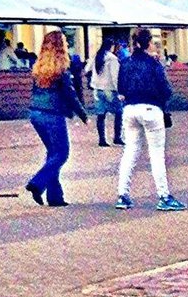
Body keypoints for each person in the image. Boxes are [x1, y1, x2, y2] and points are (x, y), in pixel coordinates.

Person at [115, 28, 186, 212]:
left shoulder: (125, 63)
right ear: (148, 43)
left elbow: (120, 88)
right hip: (151, 109)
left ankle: (123, 195)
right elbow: (166, 89)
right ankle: (164, 196)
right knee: (156, 154)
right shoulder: (154, 64)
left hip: (130, 109)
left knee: (130, 152)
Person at [24, 31, 88, 207]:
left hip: (35, 113)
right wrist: (83, 115)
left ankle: (55, 197)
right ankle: (37, 182)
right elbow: (70, 95)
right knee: (62, 153)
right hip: (52, 114)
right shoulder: (61, 68)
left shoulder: (38, 67)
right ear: (61, 46)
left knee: (53, 153)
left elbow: (34, 92)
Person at [91, 36, 123, 147]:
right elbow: (115, 77)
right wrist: (119, 91)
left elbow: (87, 69)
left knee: (101, 115)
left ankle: (102, 139)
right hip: (109, 89)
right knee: (119, 112)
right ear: (112, 46)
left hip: (97, 89)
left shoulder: (97, 56)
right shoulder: (112, 58)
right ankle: (117, 137)